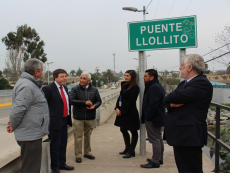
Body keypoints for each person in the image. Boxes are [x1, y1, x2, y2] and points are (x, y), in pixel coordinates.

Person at [164, 54, 213, 173]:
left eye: (182, 65)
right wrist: (170, 104)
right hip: (181, 135)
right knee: (183, 168)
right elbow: (167, 100)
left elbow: (174, 96)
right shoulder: (184, 84)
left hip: (189, 136)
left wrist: (170, 100)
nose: (180, 68)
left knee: (191, 169)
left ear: (189, 68)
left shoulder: (202, 83)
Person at [6, 58, 49, 173]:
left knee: (31, 166)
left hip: (31, 133)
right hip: (30, 135)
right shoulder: (28, 86)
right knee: (31, 168)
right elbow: (17, 110)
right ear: (36, 72)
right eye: (42, 70)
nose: (42, 73)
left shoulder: (28, 84)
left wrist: (13, 124)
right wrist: (13, 126)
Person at [42, 69, 74, 173]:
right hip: (54, 122)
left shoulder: (64, 88)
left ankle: (62, 163)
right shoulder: (48, 89)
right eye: (62, 76)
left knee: (63, 143)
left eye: (65, 76)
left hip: (65, 120)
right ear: (55, 77)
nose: (64, 78)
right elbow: (43, 106)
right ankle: (55, 167)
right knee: (55, 145)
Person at [70, 73, 101, 163]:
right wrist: (85, 102)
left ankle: (87, 153)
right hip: (78, 117)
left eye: (84, 78)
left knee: (88, 136)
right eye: (81, 78)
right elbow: (71, 100)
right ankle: (78, 155)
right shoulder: (75, 89)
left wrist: (95, 105)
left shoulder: (94, 90)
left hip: (90, 117)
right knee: (78, 137)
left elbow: (99, 100)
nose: (82, 80)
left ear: (89, 81)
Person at [140, 69, 165, 168]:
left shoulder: (154, 87)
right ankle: (159, 158)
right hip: (157, 117)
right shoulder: (156, 85)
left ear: (152, 78)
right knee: (158, 138)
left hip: (153, 118)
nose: (143, 77)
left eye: (145, 76)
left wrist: (148, 117)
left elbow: (153, 104)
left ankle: (155, 162)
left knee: (155, 140)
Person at [114, 70, 140, 158]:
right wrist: (117, 108)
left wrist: (122, 110)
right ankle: (127, 148)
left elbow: (131, 101)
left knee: (133, 131)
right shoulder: (124, 85)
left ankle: (131, 151)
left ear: (132, 77)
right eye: (125, 75)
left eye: (128, 76)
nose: (125, 77)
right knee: (123, 129)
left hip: (130, 112)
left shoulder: (135, 87)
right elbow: (120, 98)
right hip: (122, 111)